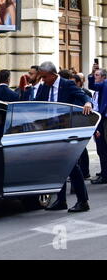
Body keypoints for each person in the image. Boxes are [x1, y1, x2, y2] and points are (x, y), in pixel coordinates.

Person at [36, 61, 92, 212]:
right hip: (50, 131)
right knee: (57, 166)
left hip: (65, 131)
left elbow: (83, 96)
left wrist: (88, 103)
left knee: (71, 165)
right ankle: (61, 201)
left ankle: (83, 201)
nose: (42, 80)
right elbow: (36, 104)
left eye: (45, 77)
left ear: (54, 75)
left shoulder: (67, 84)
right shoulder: (43, 87)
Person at [88, 66, 107, 184]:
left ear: (104, 77)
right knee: (101, 148)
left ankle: (105, 175)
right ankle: (104, 171)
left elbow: (92, 86)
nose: (95, 77)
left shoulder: (104, 84)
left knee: (103, 148)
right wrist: (92, 73)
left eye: (97, 75)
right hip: (98, 119)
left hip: (104, 119)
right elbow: (92, 86)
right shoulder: (98, 89)